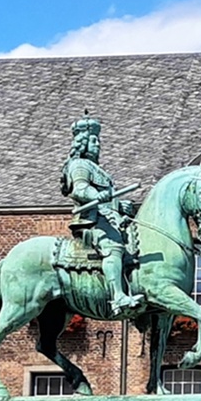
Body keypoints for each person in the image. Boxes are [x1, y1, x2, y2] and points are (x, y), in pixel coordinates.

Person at [60, 115, 140, 316]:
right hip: (91, 221)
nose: (98, 145)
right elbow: (79, 189)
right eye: (94, 141)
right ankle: (118, 297)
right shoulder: (79, 165)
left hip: (108, 218)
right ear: (83, 143)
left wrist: (120, 206)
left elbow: (107, 200)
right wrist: (97, 195)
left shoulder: (98, 169)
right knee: (113, 247)